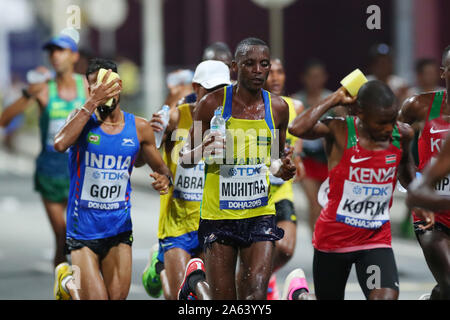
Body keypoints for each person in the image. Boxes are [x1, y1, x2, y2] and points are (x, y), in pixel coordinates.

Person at [179, 37, 296, 300]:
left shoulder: (277, 108)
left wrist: (283, 169)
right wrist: (203, 149)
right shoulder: (210, 104)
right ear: (235, 67)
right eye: (250, 64)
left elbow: (274, 160)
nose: (258, 70)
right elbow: (184, 158)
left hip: (260, 214)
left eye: (264, 64)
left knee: (255, 296)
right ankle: (196, 283)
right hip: (219, 217)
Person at [289, 80, 423, 300]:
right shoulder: (340, 129)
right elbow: (297, 128)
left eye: (391, 120)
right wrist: (335, 98)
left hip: (375, 238)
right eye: (381, 123)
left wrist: (421, 201)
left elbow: (407, 174)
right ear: (360, 113)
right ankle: (300, 296)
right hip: (333, 240)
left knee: (385, 297)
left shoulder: (402, 135)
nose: (388, 128)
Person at [53, 58, 172, 300]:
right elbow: (60, 143)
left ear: (118, 86)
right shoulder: (81, 120)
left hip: (118, 229)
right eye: (95, 86)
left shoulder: (138, 128)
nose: (102, 90)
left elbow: (162, 169)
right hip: (83, 232)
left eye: (106, 85)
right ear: (89, 89)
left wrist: (164, 180)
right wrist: (92, 102)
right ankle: (66, 280)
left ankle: (69, 282)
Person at [0, 34, 88, 295]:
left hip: (80, 171)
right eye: (51, 52)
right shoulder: (43, 88)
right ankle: (62, 287)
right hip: (50, 171)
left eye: (61, 51)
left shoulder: (86, 87)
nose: (55, 56)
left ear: (74, 56)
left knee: (77, 234)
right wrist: (28, 91)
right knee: (62, 234)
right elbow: (5, 119)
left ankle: (80, 282)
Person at [142, 60, 231, 300]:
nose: (215, 97)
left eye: (221, 90)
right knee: (176, 297)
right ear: (195, 87)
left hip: (213, 221)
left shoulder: (231, 121)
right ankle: (159, 265)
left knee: (205, 296)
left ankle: (161, 265)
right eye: (209, 90)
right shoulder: (175, 117)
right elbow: (145, 153)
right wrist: (160, 168)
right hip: (178, 221)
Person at [399, 45, 450, 300]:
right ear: (444, 73)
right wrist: (413, 188)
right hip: (432, 215)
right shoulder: (419, 105)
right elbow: (393, 144)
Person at [263, 58, 305, 299]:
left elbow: (295, 140)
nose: (276, 77)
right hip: (255, 193)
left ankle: (264, 277)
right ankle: (257, 280)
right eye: (271, 73)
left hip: (281, 192)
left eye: (280, 71)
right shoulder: (252, 108)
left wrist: (296, 157)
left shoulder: (294, 106)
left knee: (286, 249)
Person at [292, 59, 341, 234]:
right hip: (307, 159)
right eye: (311, 77)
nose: (315, 80)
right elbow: (292, 130)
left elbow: (343, 127)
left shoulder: (333, 99)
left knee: (327, 203)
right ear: (304, 78)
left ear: (324, 78)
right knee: (314, 203)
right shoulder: (297, 101)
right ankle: (316, 244)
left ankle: (327, 239)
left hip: (328, 159)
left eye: (318, 76)